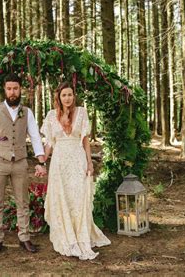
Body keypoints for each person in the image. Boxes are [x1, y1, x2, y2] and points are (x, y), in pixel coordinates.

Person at [41, 82, 111, 260]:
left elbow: (85, 140)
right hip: (59, 162)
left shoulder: (81, 112)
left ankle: (81, 235)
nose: (67, 98)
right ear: (59, 97)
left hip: (77, 159)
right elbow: (49, 142)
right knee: (62, 197)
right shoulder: (51, 116)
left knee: (78, 198)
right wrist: (41, 159)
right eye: (64, 95)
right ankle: (66, 236)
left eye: (70, 94)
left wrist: (89, 162)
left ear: (74, 96)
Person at [0, 73, 47, 258]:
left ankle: (24, 237)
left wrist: (41, 162)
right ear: (4, 89)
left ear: (20, 90)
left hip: (20, 163)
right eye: (9, 88)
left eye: (15, 88)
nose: (12, 92)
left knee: (23, 202)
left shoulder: (27, 112)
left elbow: (35, 137)